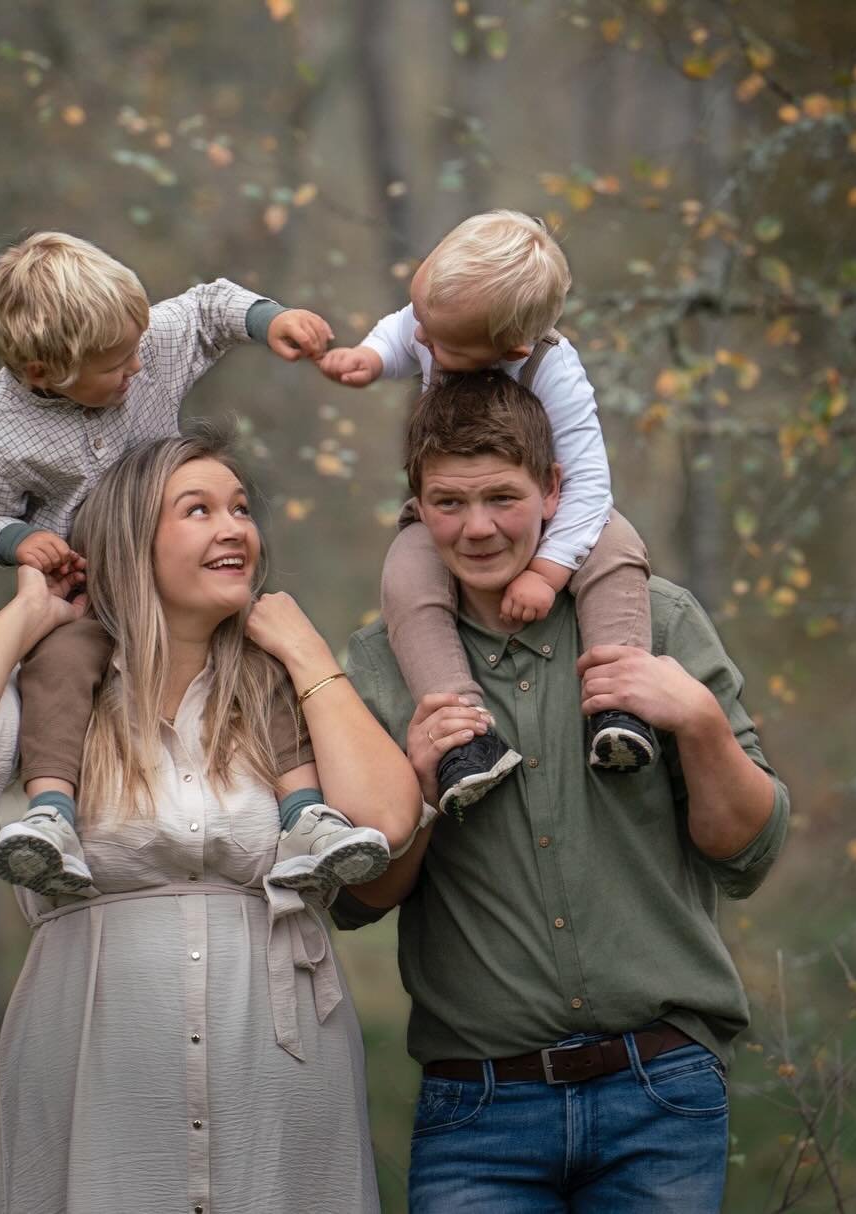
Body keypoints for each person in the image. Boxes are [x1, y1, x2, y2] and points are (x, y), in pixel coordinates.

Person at [0, 433, 421, 1213]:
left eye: (240, 509)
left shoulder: (277, 693)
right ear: (131, 542)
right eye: (197, 510)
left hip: (277, 1073)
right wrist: (32, 610)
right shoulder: (57, 701)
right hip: (96, 1071)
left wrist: (307, 657)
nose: (234, 527)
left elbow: (387, 819)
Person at [333, 373, 791, 1212]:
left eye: (503, 497)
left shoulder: (660, 621)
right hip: (478, 1112)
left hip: (662, 1093)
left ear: (553, 489)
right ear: (416, 504)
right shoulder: (372, 668)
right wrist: (420, 794)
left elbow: (747, 854)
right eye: (449, 502)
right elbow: (357, 898)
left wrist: (700, 724)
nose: (477, 528)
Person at [0, 230, 390, 898]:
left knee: (254, 651)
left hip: (177, 574)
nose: (136, 371)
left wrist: (270, 321)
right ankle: (51, 816)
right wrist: (17, 542)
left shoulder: (146, 341)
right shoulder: (4, 434)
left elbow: (210, 307)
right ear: (44, 372)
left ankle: (306, 817)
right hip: (91, 591)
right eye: (115, 366)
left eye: (137, 350)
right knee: (60, 664)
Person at [318, 210, 655, 817]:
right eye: (419, 316)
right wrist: (370, 358)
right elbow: (402, 331)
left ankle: (621, 701)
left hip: (555, 515)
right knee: (407, 569)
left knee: (618, 545)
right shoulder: (434, 322)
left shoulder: (550, 369)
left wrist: (548, 571)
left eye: (440, 341)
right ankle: (464, 735)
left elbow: (587, 485)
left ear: (510, 350)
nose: (421, 341)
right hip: (465, 495)